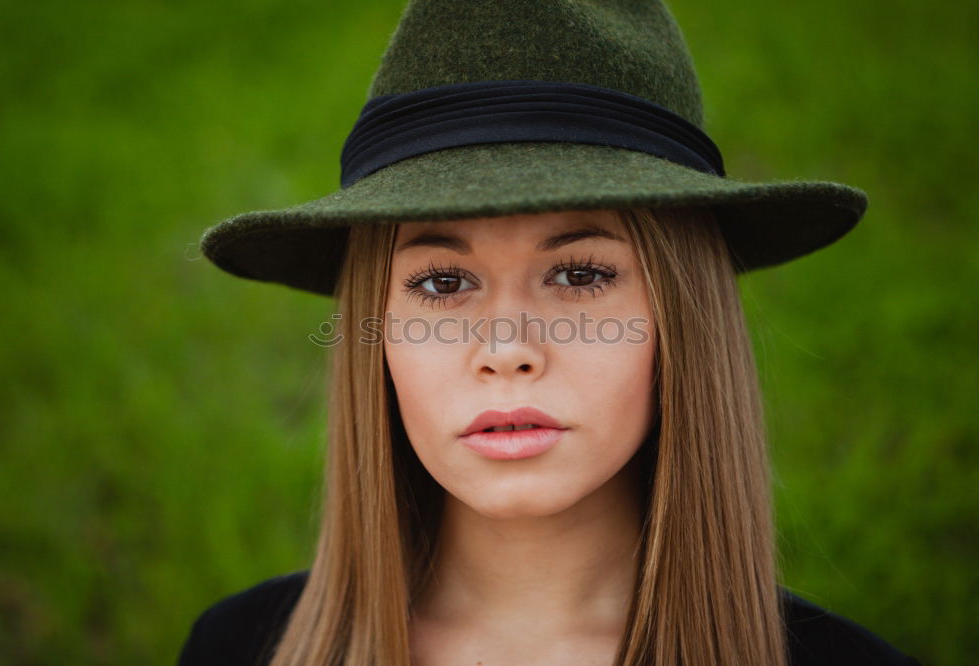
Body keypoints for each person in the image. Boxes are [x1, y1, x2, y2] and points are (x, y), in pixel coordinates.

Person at [179, 1, 921, 664]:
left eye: (579, 276)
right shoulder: (236, 649)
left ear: (681, 314)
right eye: (441, 283)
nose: (508, 351)